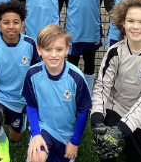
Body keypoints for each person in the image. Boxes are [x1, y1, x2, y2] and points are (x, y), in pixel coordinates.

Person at [91, 0, 141, 162]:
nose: (135, 26)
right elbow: (102, 86)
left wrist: (123, 128)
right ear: (122, 22)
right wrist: (97, 119)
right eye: (131, 21)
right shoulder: (114, 51)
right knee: (106, 152)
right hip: (116, 108)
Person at [0, 0, 41, 162]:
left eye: (16, 22)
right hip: (1, 96)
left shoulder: (30, 44)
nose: (11, 26)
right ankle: (2, 143)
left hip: (21, 99)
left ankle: (13, 128)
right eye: (6, 22)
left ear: (22, 23)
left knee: (17, 138)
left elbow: (37, 74)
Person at [22, 24, 92, 162]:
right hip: (44, 129)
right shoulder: (32, 74)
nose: (53, 55)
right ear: (39, 50)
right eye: (48, 49)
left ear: (67, 49)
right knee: (35, 158)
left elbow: (83, 112)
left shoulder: (76, 77)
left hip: (67, 136)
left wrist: (75, 142)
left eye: (59, 49)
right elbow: (31, 105)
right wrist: (36, 134)